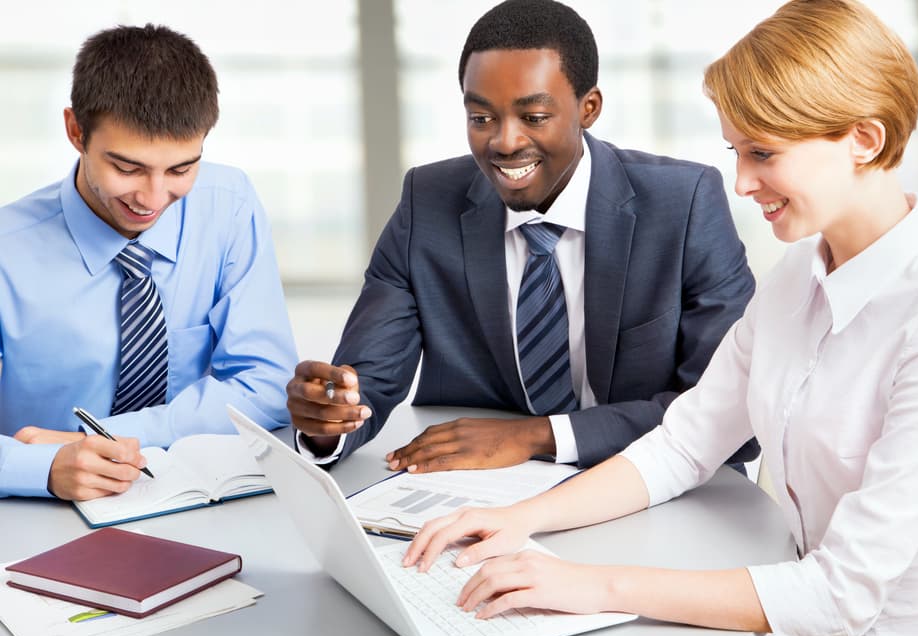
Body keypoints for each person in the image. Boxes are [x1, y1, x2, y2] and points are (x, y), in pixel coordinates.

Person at [402, 1, 918, 636]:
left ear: (864, 139)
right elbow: (684, 444)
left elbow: (841, 593)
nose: (741, 182)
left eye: (763, 153)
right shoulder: (797, 275)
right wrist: (522, 518)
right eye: (736, 152)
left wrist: (589, 585)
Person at [287, 0, 757, 474]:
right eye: (481, 118)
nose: (505, 142)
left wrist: (538, 436)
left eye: (533, 117)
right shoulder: (425, 203)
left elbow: (730, 418)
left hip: (657, 484)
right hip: (483, 490)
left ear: (588, 108)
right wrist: (327, 421)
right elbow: (365, 380)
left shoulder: (685, 204)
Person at [0, 25, 297, 501]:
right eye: (127, 168)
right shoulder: (7, 250)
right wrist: (39, 467)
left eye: (181, 169)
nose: (154, 199)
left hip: (187, 494)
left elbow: (266, 382)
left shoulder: (228, 204)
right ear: (76, 131)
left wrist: (115, 436)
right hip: (40, 509)